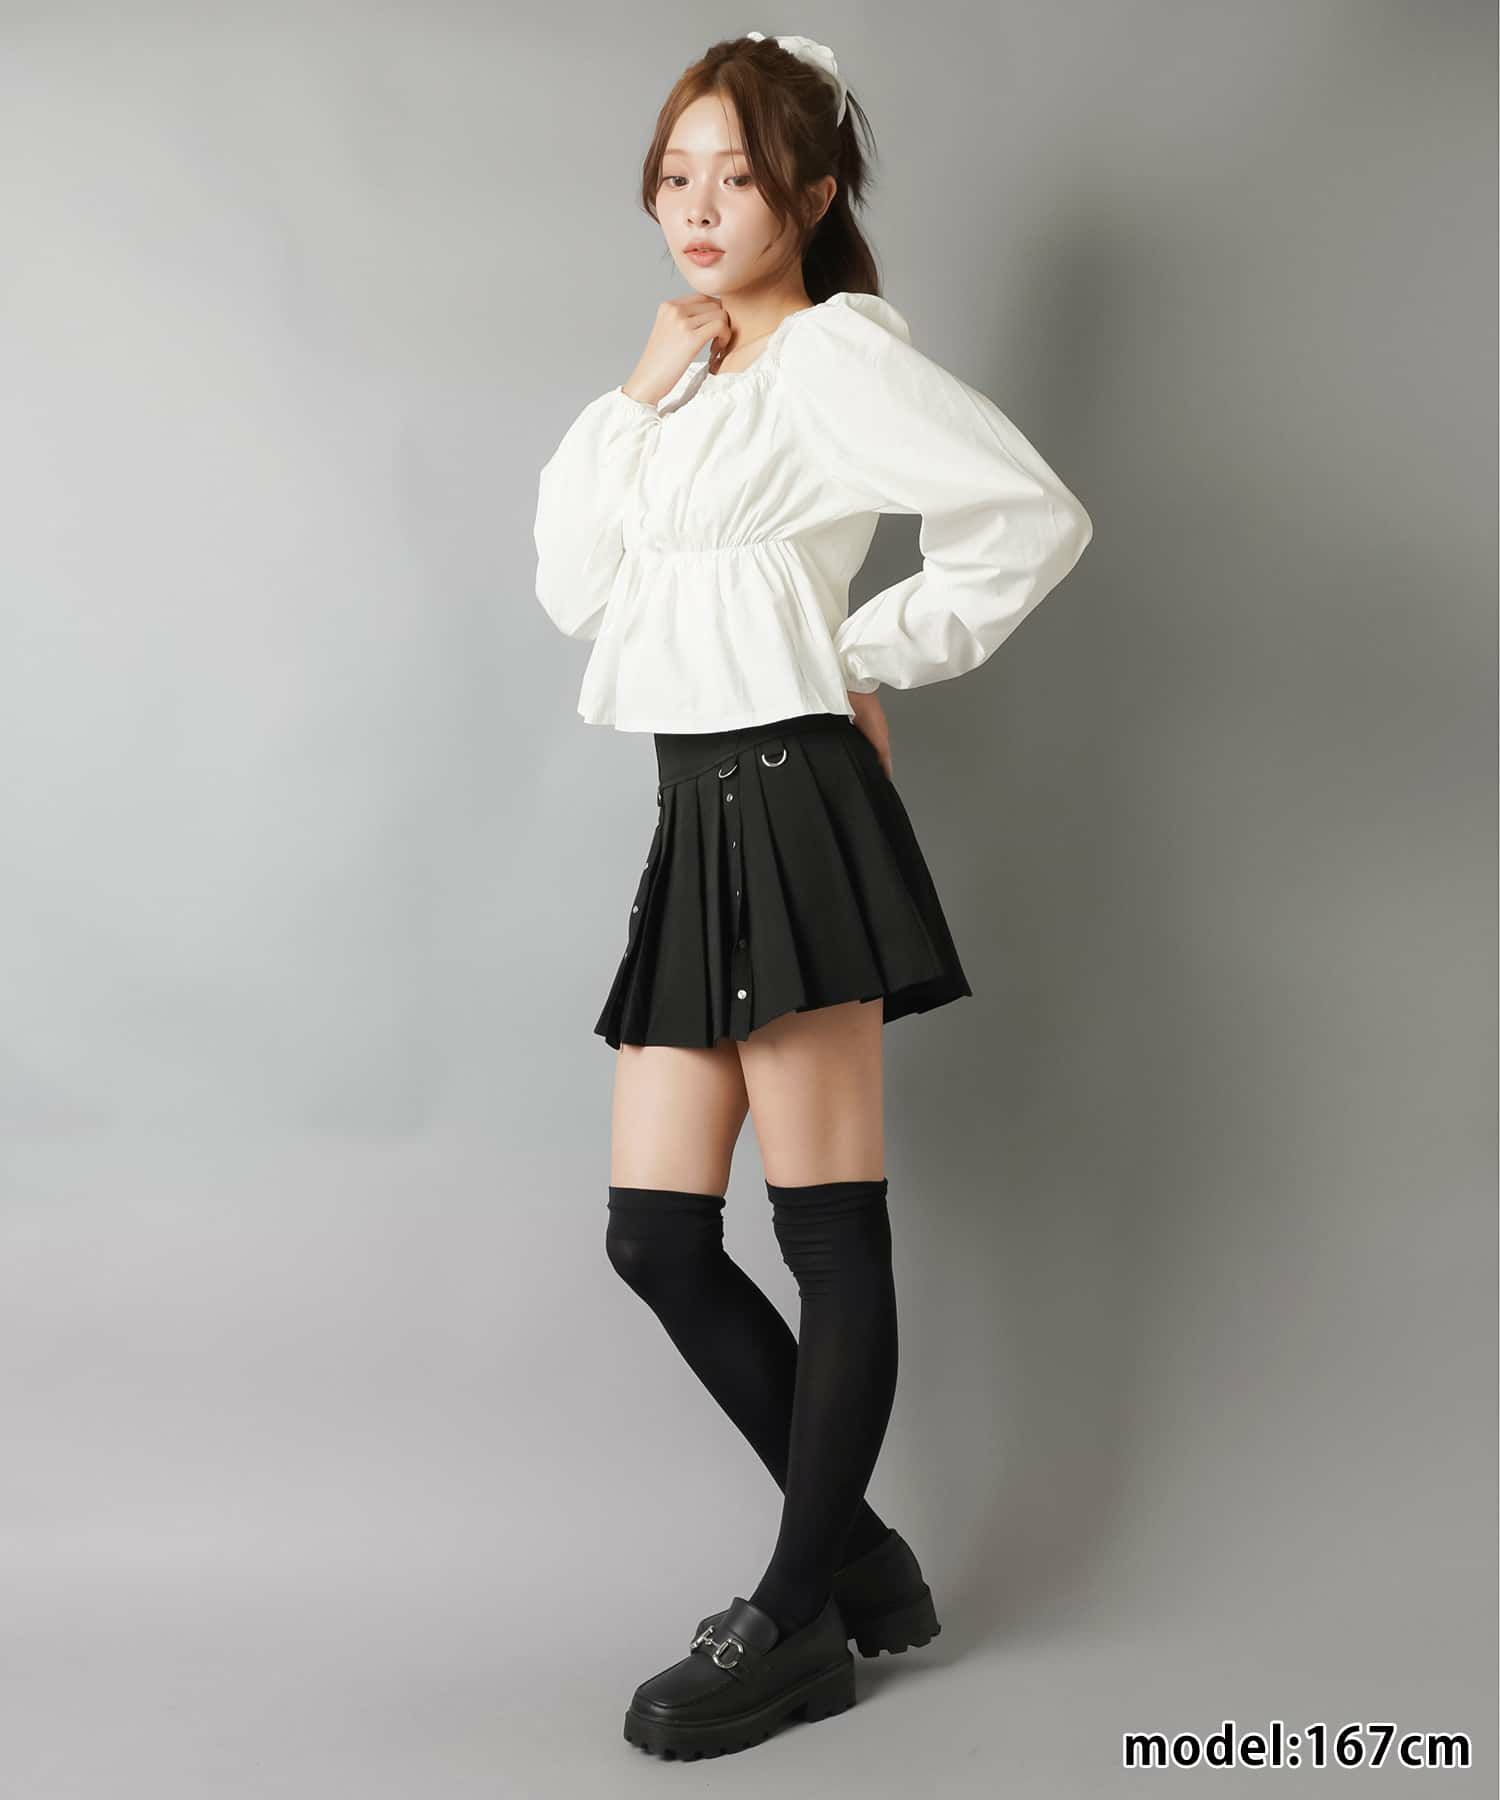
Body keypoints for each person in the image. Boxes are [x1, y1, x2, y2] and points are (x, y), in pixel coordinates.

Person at [532, 29, 1092, 1761]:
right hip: (694, 809)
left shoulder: (838, 357)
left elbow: (1027, 516)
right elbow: (571, 586)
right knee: (654, 1236)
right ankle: (859, 1557)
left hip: (793, 799)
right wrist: (639, 387)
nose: (699, 207)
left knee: (827, 1225)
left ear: (815, 193)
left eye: (740, 176)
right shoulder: (689, 385)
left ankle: (791, 1619)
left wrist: (868, 649)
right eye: (676, 175)